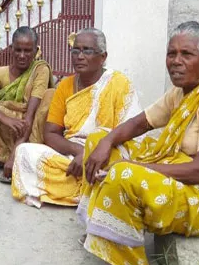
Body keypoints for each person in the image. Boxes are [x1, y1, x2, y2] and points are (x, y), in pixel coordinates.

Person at [79, 21, 199, 265]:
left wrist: (136, 167)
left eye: (187, 54)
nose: (176, 61)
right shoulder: (180, 93)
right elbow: (139, 124)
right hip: (179, 179)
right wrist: (107, 142)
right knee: (96, 141)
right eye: (171, 54)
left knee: (124, 174)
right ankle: (102, 228)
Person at [11, 28, 141, 207]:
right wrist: (80, 152)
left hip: (107, 151)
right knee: (24, 152)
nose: (79, 56)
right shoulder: (65, 85)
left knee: (115, 168)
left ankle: (85, 190)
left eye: (87, 50)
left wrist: (92, 153)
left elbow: (131, 132)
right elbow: (50, 134)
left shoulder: (119, 83)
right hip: (72, 155)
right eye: (75, 50)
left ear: (102, 57)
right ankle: (91, 192)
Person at [0, 26, 54, 183]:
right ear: (11, 49)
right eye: (18, 50)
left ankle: (19, 156)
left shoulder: (40, 69)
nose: (22, 55)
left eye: (27, 51)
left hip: (31, 130)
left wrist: (16, 153)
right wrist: (5, 119)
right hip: (9, 127)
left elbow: (30, 117)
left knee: (50, 95)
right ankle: (2, 155)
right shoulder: (1, 72)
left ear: (36, 51)